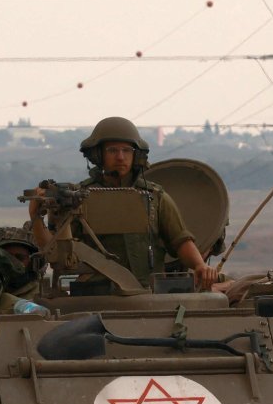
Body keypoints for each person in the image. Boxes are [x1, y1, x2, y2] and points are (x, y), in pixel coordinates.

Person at [28, 116, 218, 291]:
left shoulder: (154, 197)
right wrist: (36, 218)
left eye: (127, 150)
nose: (120, 157)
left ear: (137, 155)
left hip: (149, 294)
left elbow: (180, 240)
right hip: (95, 296)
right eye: (112, 150)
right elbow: (56, 252)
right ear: (97, 155)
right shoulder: (79, 199)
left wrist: (199, 265)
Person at [0, 225, 45, 301]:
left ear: (32, 263)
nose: (12, 263)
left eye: (19, 258)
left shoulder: (42, 296)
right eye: (6, 257)